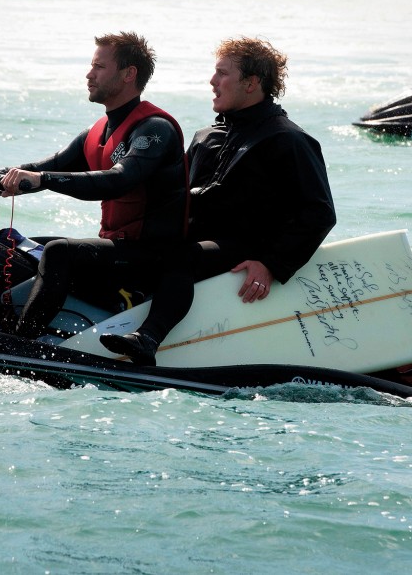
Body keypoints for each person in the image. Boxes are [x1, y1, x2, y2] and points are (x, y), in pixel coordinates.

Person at [0, 32, 190, 340]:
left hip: (154, 258)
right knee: (11, 247)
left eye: (99, 67)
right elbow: (37, 169)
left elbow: (119, 180)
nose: (88, 74)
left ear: (128, 74)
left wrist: (46, 181)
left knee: (57, 253)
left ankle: (22, 343)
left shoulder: (154, 130)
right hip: (119, 249)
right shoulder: (97, 133)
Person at [100, 37, 336, 365]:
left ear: (252, 83)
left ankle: (148, 337)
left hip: (243, 251)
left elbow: (319, 213)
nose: (212, 82)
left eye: (222, 74)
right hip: (192, 245)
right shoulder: (205, 137)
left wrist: (271, 264)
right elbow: (174, 199)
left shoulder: (288, 140)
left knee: (181, 255)